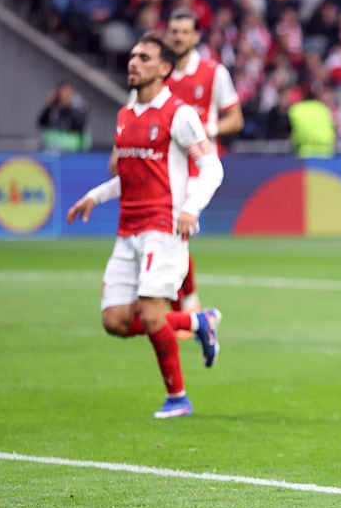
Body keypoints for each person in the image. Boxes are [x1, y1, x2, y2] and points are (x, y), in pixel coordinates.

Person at [66, 31, 225, 419]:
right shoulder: (125, 115)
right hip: (128, 229)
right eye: (133, 56)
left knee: (152, 314)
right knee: (115, 320)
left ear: (164, 68)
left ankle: (178, 398)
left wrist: (191, 208)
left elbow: (211, 167)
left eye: (144, 58)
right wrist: (96, 196)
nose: (133, 62)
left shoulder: (180, 114)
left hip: (164, 227)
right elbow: (133, 175)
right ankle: (197, 321)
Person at [161, 9, 243, 316]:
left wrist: (206, 129)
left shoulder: (213, 72)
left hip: (198, 168)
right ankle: (184, 307)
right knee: (171, 238)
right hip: (164, 167)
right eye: (174, 31)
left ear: (196, 37)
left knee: (173, 232)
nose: (179, 37)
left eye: (185, 31)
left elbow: (235, 119)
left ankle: (184, 306)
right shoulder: (160, 72)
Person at [37, 81, 91, 151]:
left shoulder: (80, 105)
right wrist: (48, 107)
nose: (63, 96)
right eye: (61, 92)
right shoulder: (54, 106)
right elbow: (41, 123)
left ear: (72, 93)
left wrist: (67, 107)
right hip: (52, 148)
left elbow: (79, 125)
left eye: (66, 92)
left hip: (75, 149)